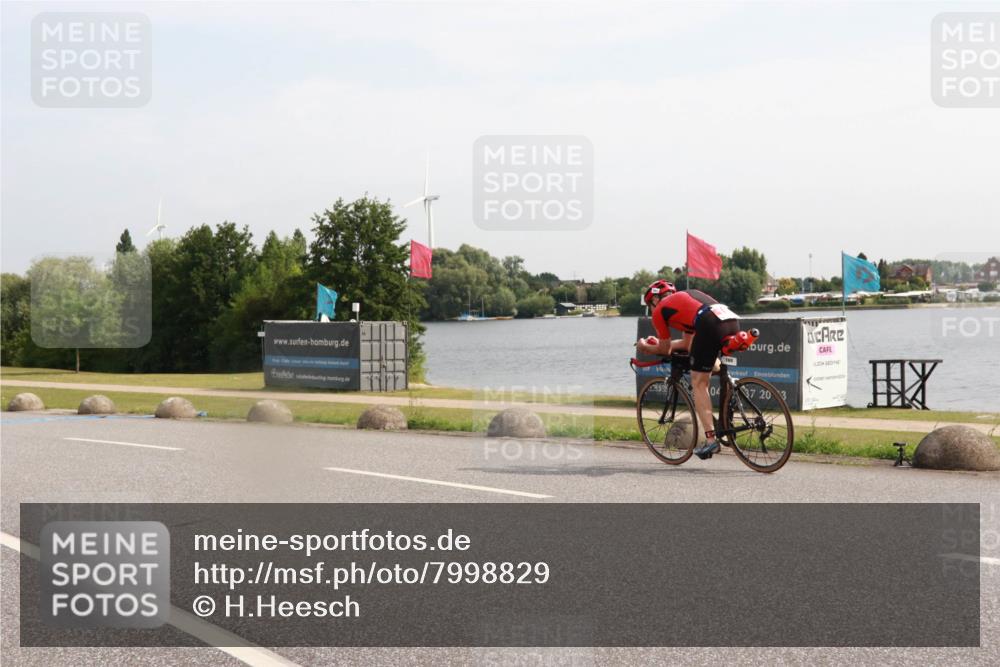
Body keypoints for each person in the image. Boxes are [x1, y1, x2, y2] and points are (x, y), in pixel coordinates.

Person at [635, 280, 741, 460]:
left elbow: (665, 350)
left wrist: (645, 347)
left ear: (655, 300)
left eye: (649, 305)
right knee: (709, 365)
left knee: (699, 383)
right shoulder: (684, 301)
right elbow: (687, 344)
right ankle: (730, 398)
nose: (651, 310)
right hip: (730, 320)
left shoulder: (660, 311)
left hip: (709, 323)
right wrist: (660, 343)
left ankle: (711, 441)